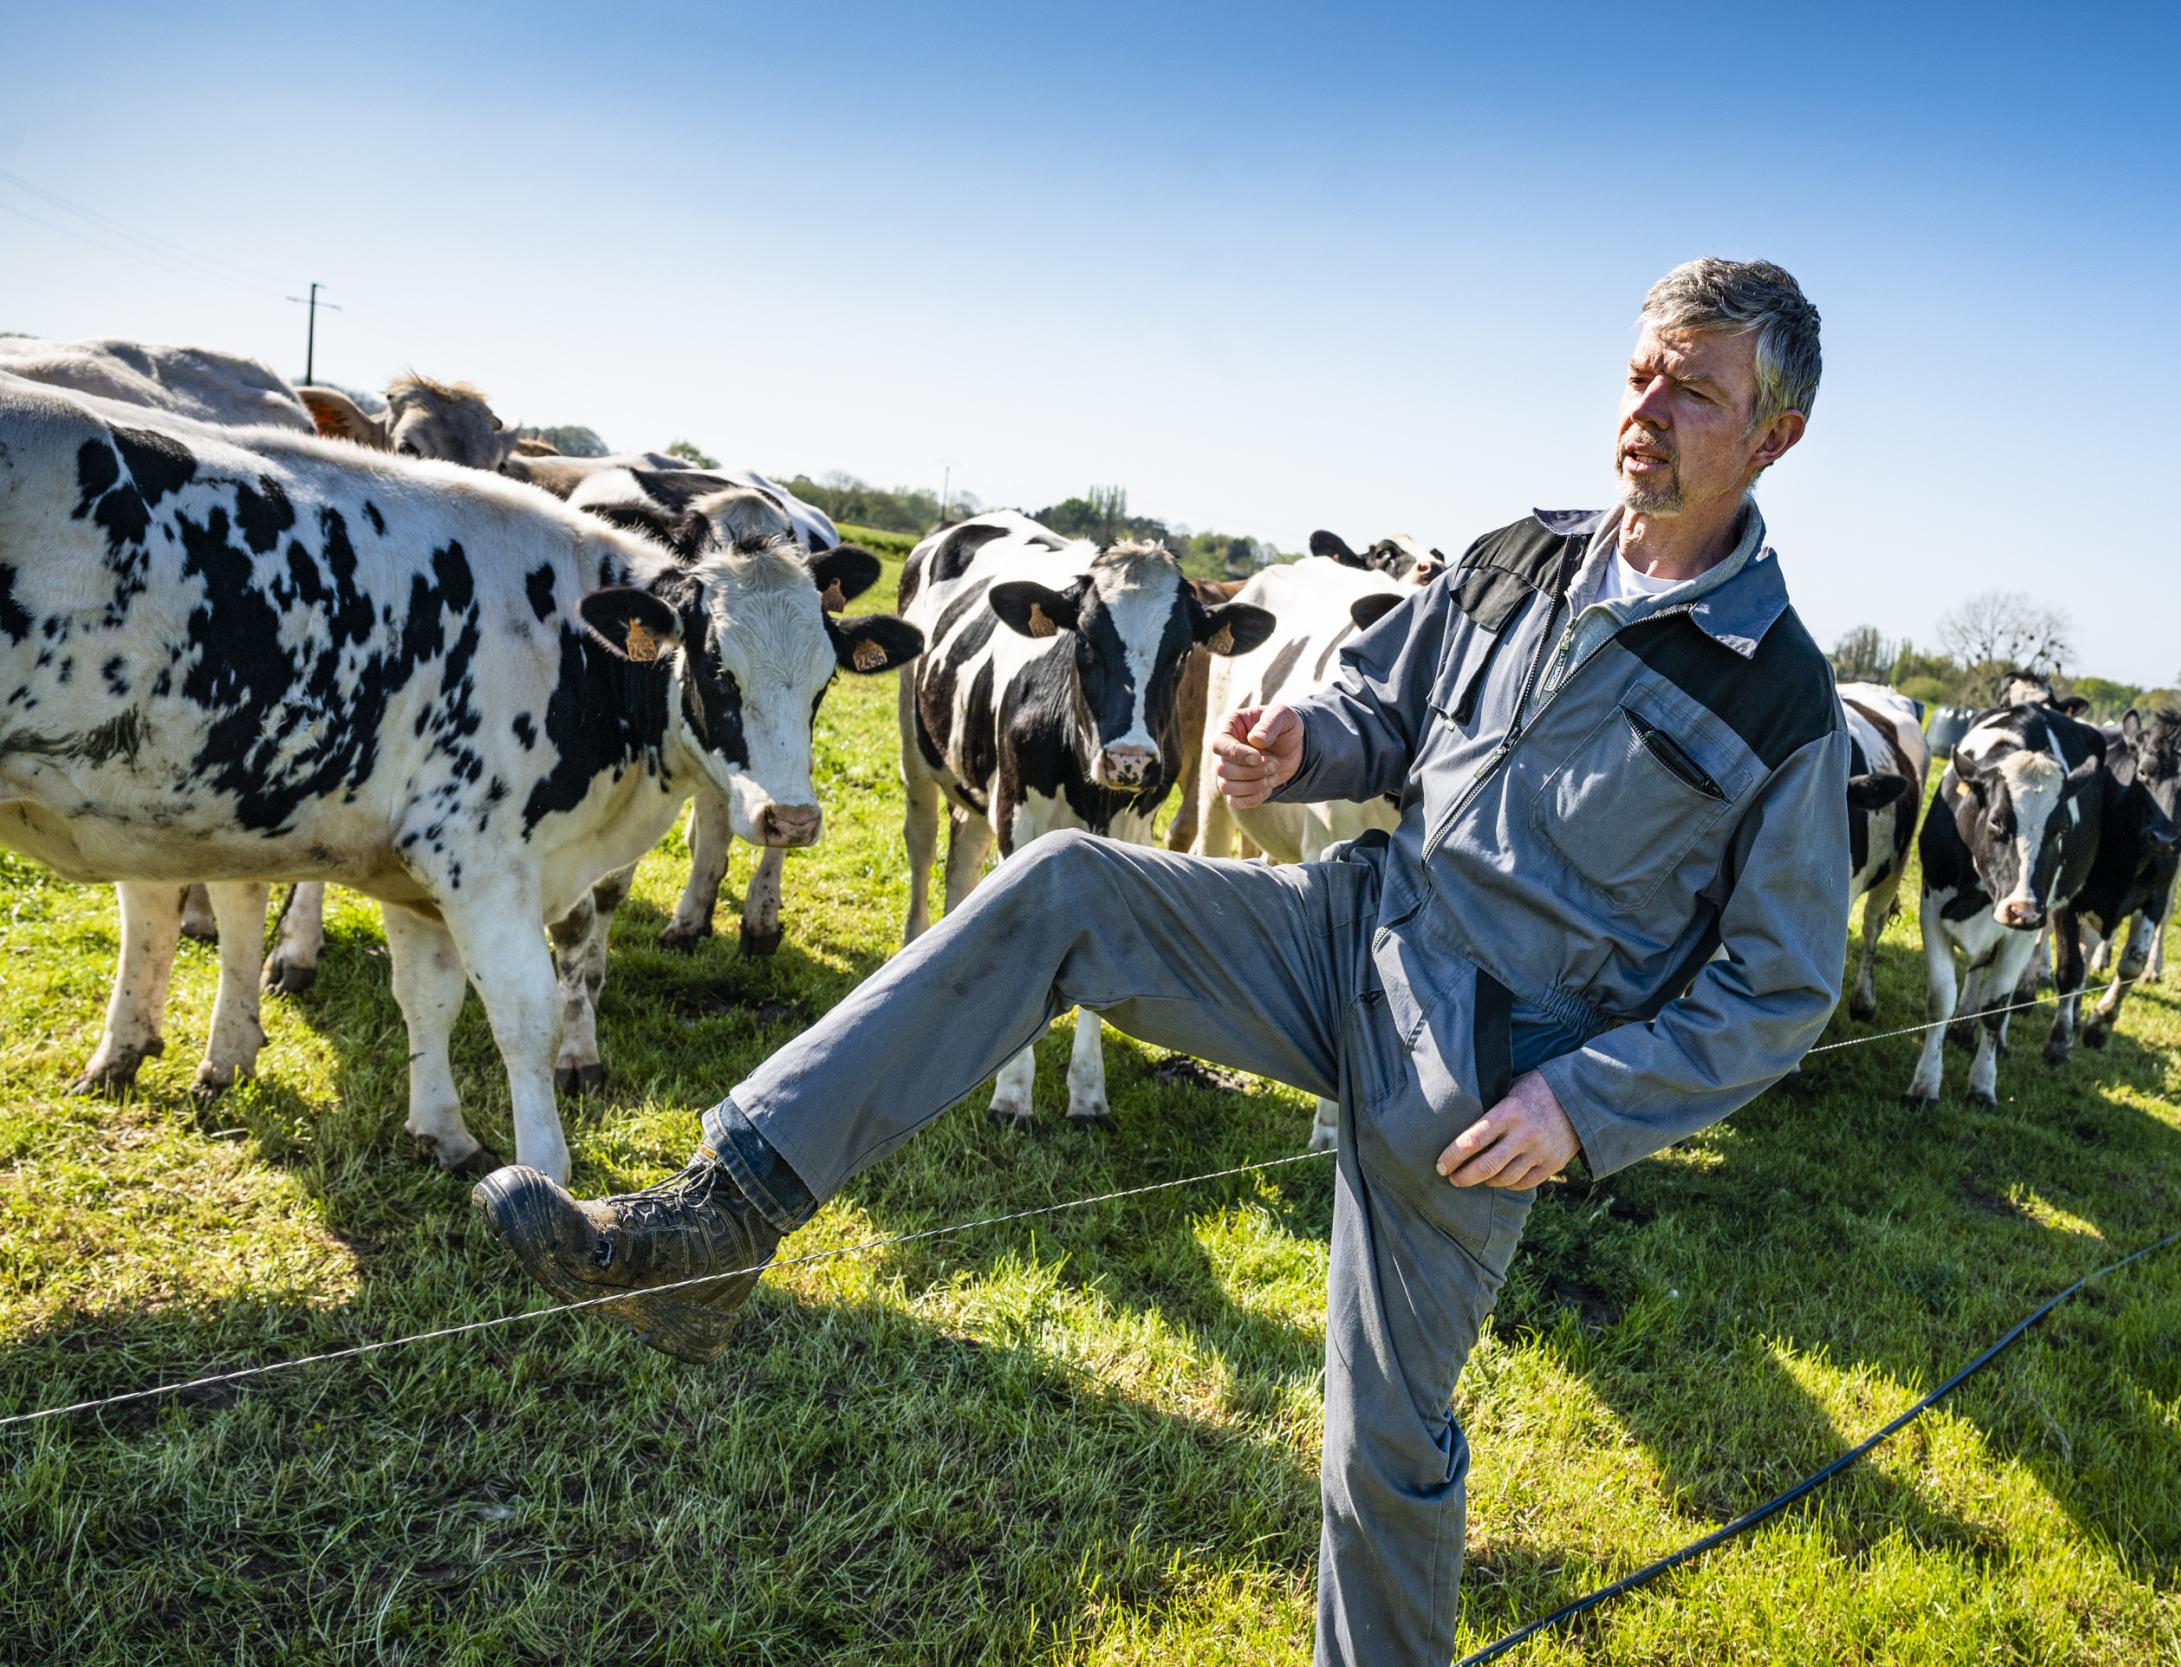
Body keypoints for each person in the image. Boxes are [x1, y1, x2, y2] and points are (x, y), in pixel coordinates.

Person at [477, 257, 1851, 1666]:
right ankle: (718, 1227)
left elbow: (1784, 983)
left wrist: (1585, 1104)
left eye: (1694, 389)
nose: (1650, 408)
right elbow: (1388, 706)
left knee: (1384, 1433)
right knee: (1065, 881)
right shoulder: (1521, 557)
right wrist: (1308, 738)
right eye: (1641, 374)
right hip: (1348, 927)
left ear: (1773, 435)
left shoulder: (1781, 694)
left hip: (1492, 1072)